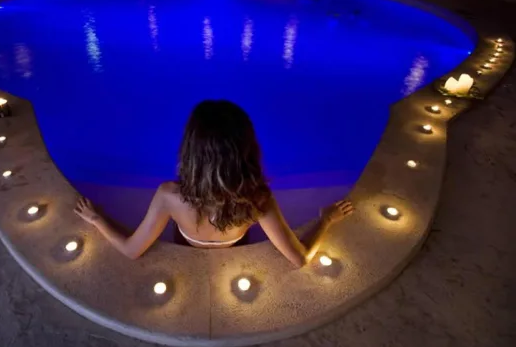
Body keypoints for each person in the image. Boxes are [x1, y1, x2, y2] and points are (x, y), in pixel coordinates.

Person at [75, 100, 354, 268]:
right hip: (234, 246)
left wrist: (96, 219)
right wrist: (326, 220)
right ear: (247, 151)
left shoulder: (169, 196)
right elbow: (300, 259)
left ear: (190, 152)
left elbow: (131, 251)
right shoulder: (258, 199)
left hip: (186, 245)